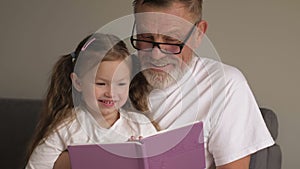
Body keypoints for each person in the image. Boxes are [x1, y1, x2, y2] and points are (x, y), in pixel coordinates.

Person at [129, 0, 275, 169]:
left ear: (198, 34)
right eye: (145, 37)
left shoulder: (225, 85)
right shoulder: (112, 76)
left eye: (172, 40)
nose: (156, 55)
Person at [24, 33, 157, 169]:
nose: (110, 93)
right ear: (78, 82)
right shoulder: (67, 126)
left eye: (121, 84)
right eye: (100, 83)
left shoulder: (140, 125)